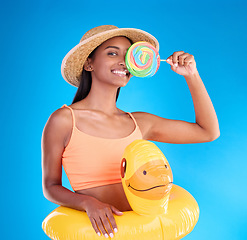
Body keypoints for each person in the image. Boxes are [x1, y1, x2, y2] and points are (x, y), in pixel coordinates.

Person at [42, 25, 220, 239]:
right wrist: (87, 203)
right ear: (89, 63)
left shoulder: (140, 122)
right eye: (112, 52)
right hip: (102, 234)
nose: (122, 61)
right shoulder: (63, 120)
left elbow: (207, 131)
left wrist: (191, 75)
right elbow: (50, 186)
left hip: (146, 232)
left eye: (128, 56)